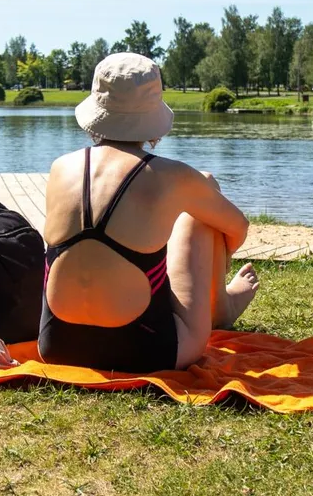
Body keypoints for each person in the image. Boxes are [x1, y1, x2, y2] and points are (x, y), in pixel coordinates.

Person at [41, 53, 260, 372]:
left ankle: (214, 301)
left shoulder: (61, 167)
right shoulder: (174, 177)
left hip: (57, 345)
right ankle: (221, 307)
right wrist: (218, 260)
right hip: (147, 351)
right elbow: (237, 227)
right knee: (204, 198)